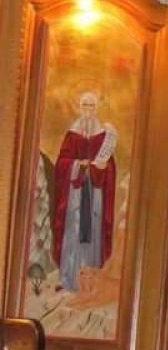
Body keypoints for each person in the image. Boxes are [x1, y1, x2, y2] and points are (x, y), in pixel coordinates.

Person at [52, 90, 117, 292]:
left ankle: (91, 282)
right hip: (75, 192)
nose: (88, 109)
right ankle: (69, 279)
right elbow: (61, 163)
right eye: (85, 105)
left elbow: (111, 166)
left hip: (95, 192)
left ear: (96, 109)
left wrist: (103, 167)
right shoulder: (72, 136)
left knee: (94, 229)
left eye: (91, 105)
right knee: (73, 228)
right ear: (79, 108)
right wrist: (76, 164)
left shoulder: (103, 136)